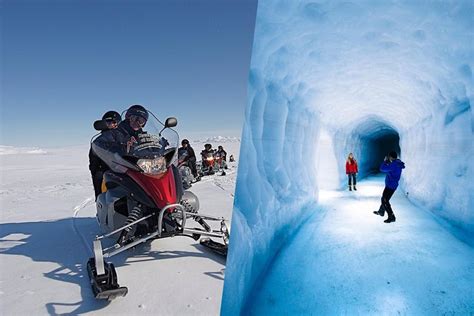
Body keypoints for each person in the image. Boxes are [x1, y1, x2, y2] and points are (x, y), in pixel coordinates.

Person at [89, 110, 122, 199]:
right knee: (99, 176)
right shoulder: (99, 141)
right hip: (108, 172)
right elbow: (94, 166)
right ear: (104, 124)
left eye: (115, 122)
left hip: (126, 169)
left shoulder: (126, 138)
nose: (113, 124)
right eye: (109, 122)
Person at [373, 151, 405, 223]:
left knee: (385, 200)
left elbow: (382, 168)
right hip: (391, 185)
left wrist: (384, 161)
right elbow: (391, 168)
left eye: (389, 156)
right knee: (384, 198)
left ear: (391, 157)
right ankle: (381, 211)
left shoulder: (394, 164)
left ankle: (391, 216)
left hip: (390, 185)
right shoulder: (397, 163)